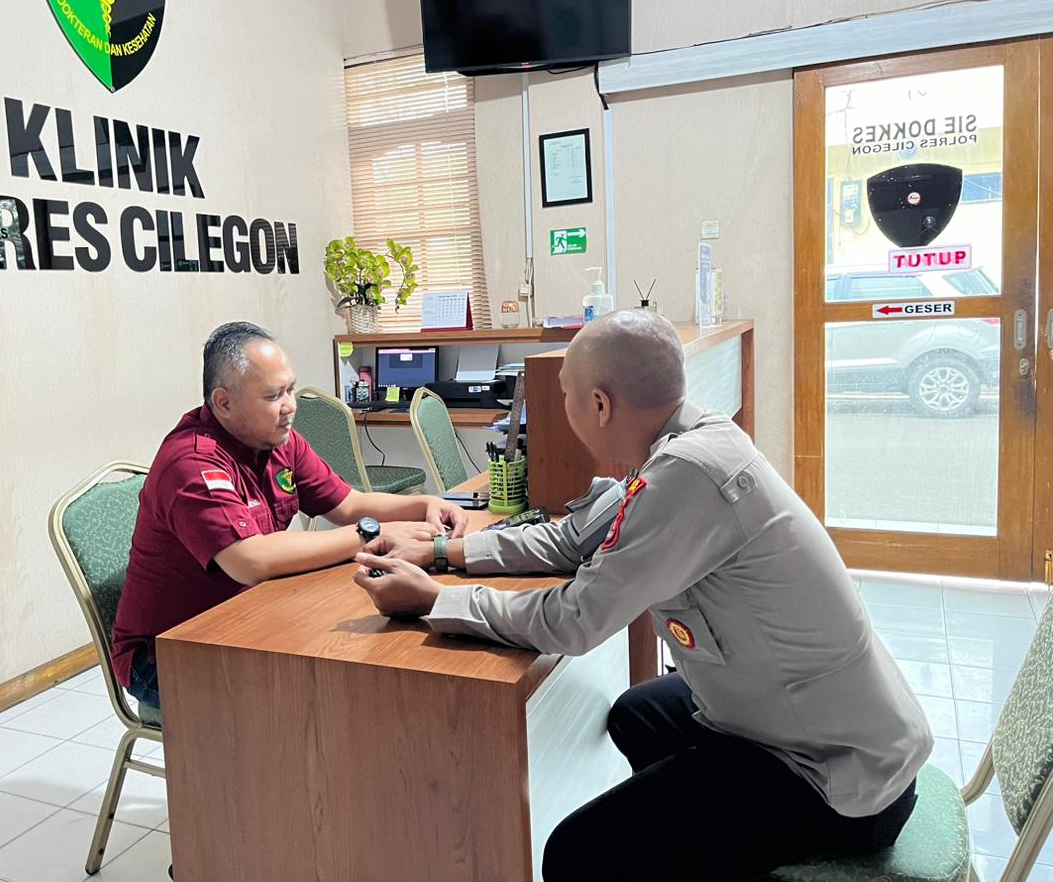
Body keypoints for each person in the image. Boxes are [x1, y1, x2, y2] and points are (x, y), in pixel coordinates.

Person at [353, 310, 931, 881]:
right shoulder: (686, 441)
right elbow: (572, 541)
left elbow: (573, 619)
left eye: (566, 396)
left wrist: (435, 602)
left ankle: (705, 840)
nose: (564, 409)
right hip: (812, 725)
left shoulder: (686, 475)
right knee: (638, 715)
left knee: (576, 853)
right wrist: (440, 553)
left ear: (599, 405)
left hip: (839, 780)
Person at [112, 321, 465, 711]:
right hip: (169, 653)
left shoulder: (278, 440)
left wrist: (425, 504)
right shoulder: (192, 463)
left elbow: (348, 504)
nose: (290, 406)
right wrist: (372, 534)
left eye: (290, 390)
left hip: (252, 614)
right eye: (273, 395)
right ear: (224, 402)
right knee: (315, 702)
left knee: (371, 660)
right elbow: (251, 560)